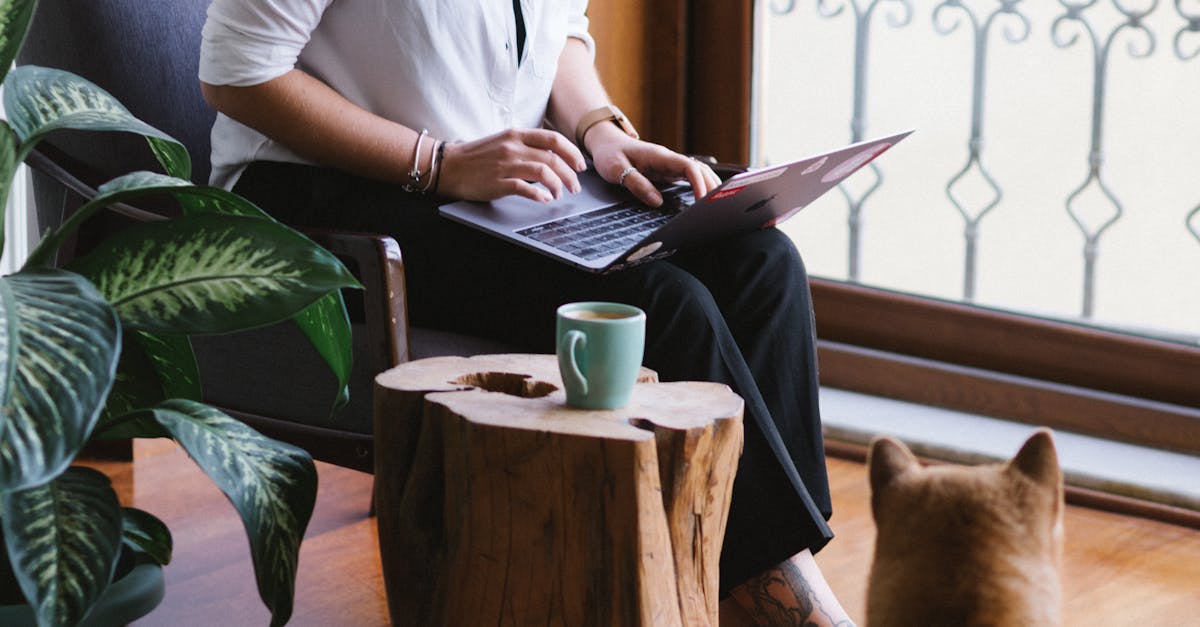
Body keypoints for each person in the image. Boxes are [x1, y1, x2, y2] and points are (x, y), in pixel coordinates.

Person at [199, 2, 854, 624]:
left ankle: (749, 578)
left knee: (761, 260)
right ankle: (778, 597)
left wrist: (601, 131)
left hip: (486, 184)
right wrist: (438, 163)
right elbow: (238, 74)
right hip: (321, 195)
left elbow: (558, 28)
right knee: (659, 307)